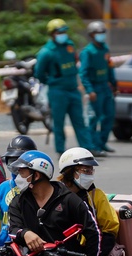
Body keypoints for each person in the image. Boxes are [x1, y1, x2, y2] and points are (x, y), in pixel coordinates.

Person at [36, 19, 95, 158]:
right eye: (59, 32)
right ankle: (61, 150)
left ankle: (87, 149)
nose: (63, 34)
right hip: (58, 91)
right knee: (59, 122)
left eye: (64, 31)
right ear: (52, 34)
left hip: (73, 89)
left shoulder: (70, 46)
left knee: (79, 121)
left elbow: (74, 62)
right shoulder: (46, 52)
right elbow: (39, 73)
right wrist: (52, 81)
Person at [80, 21, 117, 155]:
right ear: (91, 35)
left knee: (109, 116)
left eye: (103, 33)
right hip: (95, 88)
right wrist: (89, 90)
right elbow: (83, 73)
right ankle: (93, 146)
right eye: (98, 33)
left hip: (105, 87)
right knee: (94, 118)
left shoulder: (105, 49)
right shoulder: (88, 52)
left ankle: (102, 142)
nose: (101, 36)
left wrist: (114, 84)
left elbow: (109, 68)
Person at [0, 135, 38, 247]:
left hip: (30, 245)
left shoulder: (38, 187)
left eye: (20, 162)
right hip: (5, 246)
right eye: (12, 161)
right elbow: (3, 218)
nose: (16, 167)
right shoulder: (3, 187)